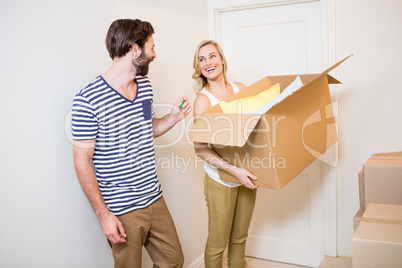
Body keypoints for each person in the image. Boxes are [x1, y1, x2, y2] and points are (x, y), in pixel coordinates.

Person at [72, 19, 191, 268]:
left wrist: (173, 117)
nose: (155, 54)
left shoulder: (145, 87)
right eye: (151, 47)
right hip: (122, 208)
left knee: (174, 260)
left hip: (153, 197)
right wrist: (104, 214)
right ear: (134, 49)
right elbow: (81, 160)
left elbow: (147, 130)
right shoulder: (88, 99)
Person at [192, 40, 258, 268]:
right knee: (218, 243)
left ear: (222, 59)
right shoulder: (203, 101)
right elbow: (200, 148)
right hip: (221, 179)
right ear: (198, 67)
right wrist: (233, 170)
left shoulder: (241, 88)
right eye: (202, 59)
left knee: (240, 237)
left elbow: (256, 129)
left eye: (212, 56)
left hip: (248, 172)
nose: (208, 62)